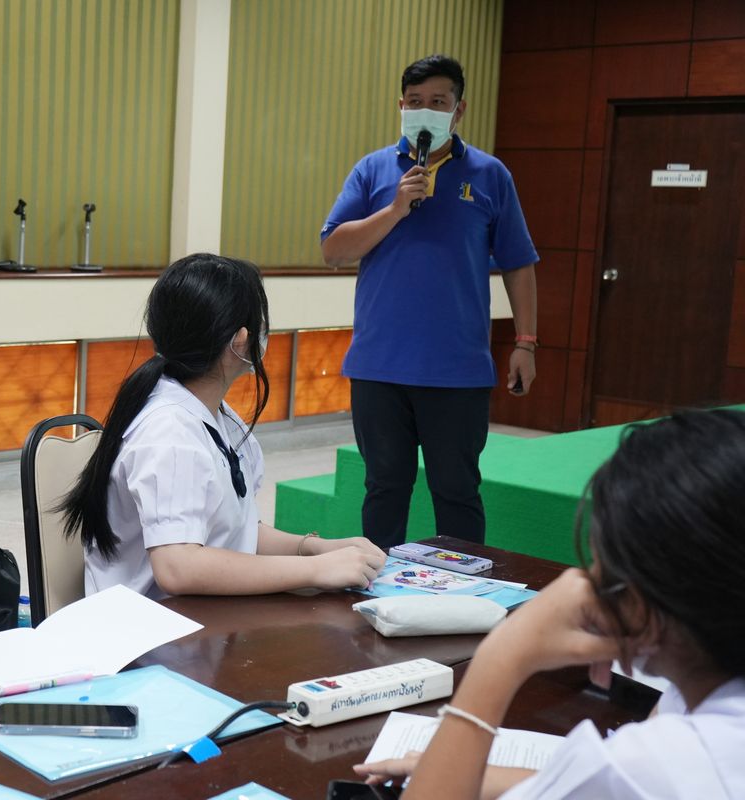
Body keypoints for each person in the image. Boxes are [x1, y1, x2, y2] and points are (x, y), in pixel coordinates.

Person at [355, 409, 745, 799]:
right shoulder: (698, 697)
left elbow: (636, 777)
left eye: (604, 572)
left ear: (645, 600)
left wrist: (501, 658)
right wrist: (461, 768)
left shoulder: (652, 767)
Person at [60, 253, 385, 600]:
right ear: (240, 341)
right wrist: (315, 570)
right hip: (153, 627)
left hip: (201, 616)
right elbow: (178, 568)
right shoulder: (169, 433)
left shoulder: (213, 414)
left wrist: (314, 549)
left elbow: (235, 533)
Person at [320, 54, 539, 549]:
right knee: (384, 490)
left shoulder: (491, 175)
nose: (425, 111)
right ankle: (376, 584)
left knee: (457, 494)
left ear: (459, 110)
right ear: (401, 106)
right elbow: (334, 250)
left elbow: (519, 263)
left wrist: (525, 342)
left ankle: (464, 591)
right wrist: (396, 209)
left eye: (438, 102)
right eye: (415, 101)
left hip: (457, 371)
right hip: (379, 368)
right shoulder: (372, 170)